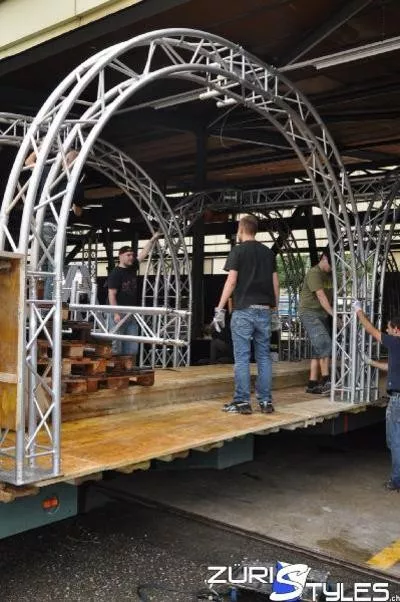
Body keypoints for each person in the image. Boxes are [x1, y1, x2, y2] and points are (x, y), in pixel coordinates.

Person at [213, 214, 279, 415]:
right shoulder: (268, 253)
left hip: (243, 311)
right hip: (264, 311)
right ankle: (265, 401)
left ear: (241, 229)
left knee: (242, 357)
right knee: (264, 357)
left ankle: (242, 401)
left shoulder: (238, 251)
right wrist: (274, 309)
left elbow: (231, 281)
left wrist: (219, 308)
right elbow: (275, 283)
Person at [25, 149, 85, 299]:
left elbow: (28, 162)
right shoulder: (75, 183)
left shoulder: (46, 172)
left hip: (38, 227)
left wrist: (40, 148)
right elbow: (78, 212)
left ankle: (36, 304)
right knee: (54, 268)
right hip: (54, 228)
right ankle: (47, 306)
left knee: (43, 267)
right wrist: (73, 205)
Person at [353, 301, 400, 492]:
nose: (387, 331)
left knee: (394, 442)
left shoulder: (395, 342)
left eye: (389, 328)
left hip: (397, 401)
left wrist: (359, 311)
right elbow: (392, 367)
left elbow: (371, 330)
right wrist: (371, 362)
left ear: (397, 329)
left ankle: (396, 481)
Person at [108, 234, 160, 357]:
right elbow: (112, 294)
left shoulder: (132, 268)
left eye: (132, 255)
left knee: (132, 347)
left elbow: (143, 254)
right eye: (128, 255)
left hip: (131, 312)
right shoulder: (115, 273)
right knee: (116, 345)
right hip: (119, 312)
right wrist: (116, 313)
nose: (131, 257)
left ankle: (128, 366)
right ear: (120, 256)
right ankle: (116, 367)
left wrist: (152, 239)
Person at [299, 249, 333, 394]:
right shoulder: (314, 273)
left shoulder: (329, 275)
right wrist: (333, 313)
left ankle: (312, 384)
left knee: (317, 348)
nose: (332, 268)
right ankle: (326, 380)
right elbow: (320, 295)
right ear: (324, 258)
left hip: (322, 314)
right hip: (309, 312)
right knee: (324, 343)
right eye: (331, 264)